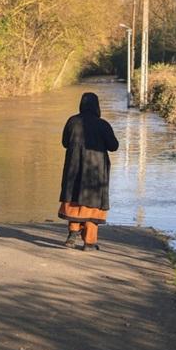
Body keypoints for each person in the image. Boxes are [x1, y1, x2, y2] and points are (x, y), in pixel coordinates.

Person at [59, 92, 119, 250]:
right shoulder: (102, 124)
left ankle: (72, 234)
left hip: (74, 168)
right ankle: (89, 242)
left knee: (74, 199)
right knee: (93, 205)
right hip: (96, 170)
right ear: (97, 106)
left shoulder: (72, 121)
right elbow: (114, 146)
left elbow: (65, 142)